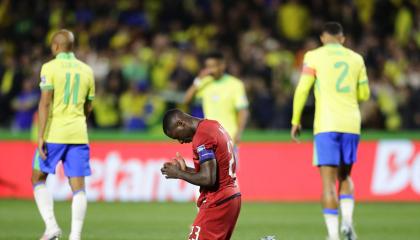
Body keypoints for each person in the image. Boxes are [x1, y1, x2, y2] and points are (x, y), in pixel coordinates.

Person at [291, 22, 370, 240]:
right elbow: (364, 94)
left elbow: (302, 89)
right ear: (342, 39)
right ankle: (348, 223)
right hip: (351, 124)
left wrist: (295, 120)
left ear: (323, 38)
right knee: (345, 176)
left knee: (328, 184)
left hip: (326, 124)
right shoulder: (356, 59)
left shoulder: (314, 56)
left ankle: (334, 236)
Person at [31, 29, 95, 240]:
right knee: (78, 187)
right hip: (78, 134)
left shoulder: (49, 67)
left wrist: (40, 136)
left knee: (38, 178)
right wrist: (79, 120)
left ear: (55, 47)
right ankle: (75, 236)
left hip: (54, 133)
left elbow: (45, 101)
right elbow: (89, 105)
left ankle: (51, 227)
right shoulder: (87, 70)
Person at [161, 109, 241, 240]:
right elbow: (215, 172)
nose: (180, 141)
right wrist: (185, 169)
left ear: (180, 123)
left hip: (218, 201)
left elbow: (208, 179)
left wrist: (179, 173)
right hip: (231, 196)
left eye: (177, 136)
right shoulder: (212, 125)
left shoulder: (202, 136)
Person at [184, 51, 248, 145]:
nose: (209, 70)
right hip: (209, 138)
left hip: (229, 137)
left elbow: (242, 111)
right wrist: (199, 79)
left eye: (212, 66)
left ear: (222, 66)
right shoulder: (205, 83)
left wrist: (239, 132)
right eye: (207, 67)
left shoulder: (235, 84)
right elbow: (186, 100)